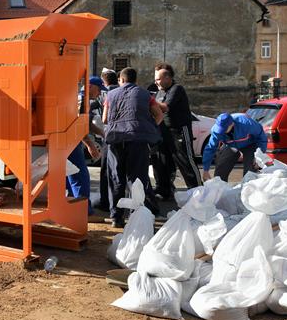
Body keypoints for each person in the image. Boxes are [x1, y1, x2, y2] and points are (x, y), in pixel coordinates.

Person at [102, 67, 164, 228]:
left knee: (116, 178)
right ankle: (136, 215)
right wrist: (148, 127)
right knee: (137, 179)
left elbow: (104, 119)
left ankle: (116, 217)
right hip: (138, 140)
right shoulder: (146, 95)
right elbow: (159, 115)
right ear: (136, 80)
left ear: (121, 80)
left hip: (116, 140)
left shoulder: (110, 95)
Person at [151, 63, 202, 198]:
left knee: (185, 160)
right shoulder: (159, 92)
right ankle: (164, 190)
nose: (156, 82)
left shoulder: (177, 89)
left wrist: (148, 102)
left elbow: (165, 107)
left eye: (158, 79)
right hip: (163, 131)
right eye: (155, 79)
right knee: (162, 161)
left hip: (179, 131)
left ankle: (197, 190)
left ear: (168, 78)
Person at [66, 77, 103, 208]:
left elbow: (87, 124)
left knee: (70, 174)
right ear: (91, 86)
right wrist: (90, 145)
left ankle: (72, 206)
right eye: (99, 90)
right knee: (80, 175)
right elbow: (79, 126)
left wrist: (103, 133)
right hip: (71, 142)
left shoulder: (82, 99)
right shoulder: (82, 100)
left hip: (68, 142)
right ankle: (84, 210)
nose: (99, 94)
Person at [202, 112, 268, 182]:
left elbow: (262, 137)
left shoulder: (247, 123)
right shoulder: (216, 131)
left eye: (224, 129)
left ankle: (247, 190)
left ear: (232, 124)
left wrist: (259, 157)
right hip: (231, 145)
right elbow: (210, 148)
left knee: (250, 170)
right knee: (221, 167)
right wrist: (205, 170)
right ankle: (220, 189)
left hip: (250, 144)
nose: (222, 132)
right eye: (220, 129)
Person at [97, 70, 119, 212]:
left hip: (109, 133)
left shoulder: (104, 94)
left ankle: (105, 202)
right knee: (120, 171)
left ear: (104, 82)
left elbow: (103, 117)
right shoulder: (125, 91)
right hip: (125, 134)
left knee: (106, 170)